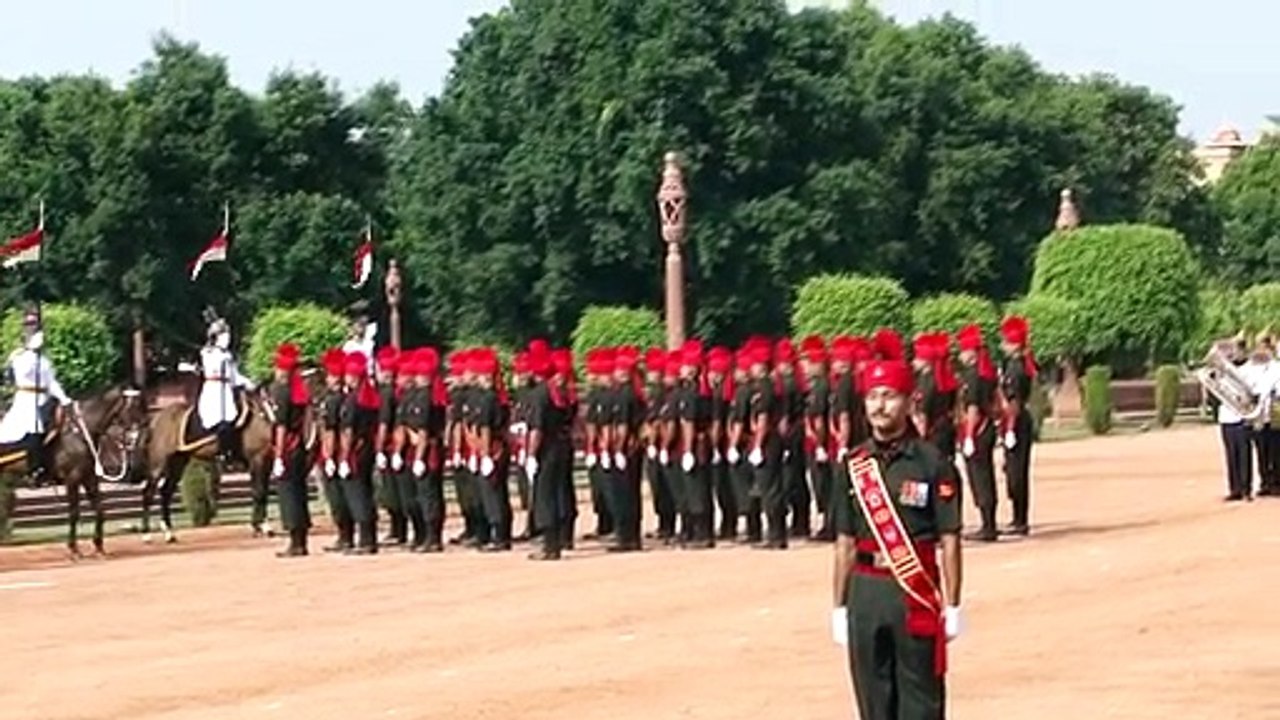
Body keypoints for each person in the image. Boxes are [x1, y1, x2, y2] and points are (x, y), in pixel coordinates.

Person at [831, 359, 964, 720]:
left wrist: (953, 606)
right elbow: (844, 543)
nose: (879, 405)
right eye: (872, 396)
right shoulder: (853, 465)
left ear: (908, 402)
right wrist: (839, 607)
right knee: (873, 700)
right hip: (866, 591)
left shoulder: (933, 463)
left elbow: (950, 539)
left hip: (913, 592)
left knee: (920, 701)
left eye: (889, 396)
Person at [0, 308, 72, 483]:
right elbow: (19, 373)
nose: (31, 326)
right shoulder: (19, 356)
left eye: (35, 323)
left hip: (44, 399)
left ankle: (53, 464)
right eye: (29, 323)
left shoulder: (45, 361)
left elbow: (51, 382)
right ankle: (34, 467)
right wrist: (30, 352)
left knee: (59, 426)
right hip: (26, 399)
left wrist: (64, 399)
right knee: (32, 426)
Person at [526, 343, 574, 561]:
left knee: (544, 496)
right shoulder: (559, 393)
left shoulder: (539, 395)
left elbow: (536, 429)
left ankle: (550, 545)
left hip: (546, 449)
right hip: (560, 446)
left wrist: (530, 455)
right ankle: (556, 540)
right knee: (556, 493)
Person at [956, 324, 1000, 542]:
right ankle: (989, 523)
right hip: (987, 426)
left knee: (980, 477)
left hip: (978, 428)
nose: (961, 355)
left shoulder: (973, 376)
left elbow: (972, 407)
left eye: (964, 350)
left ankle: (988, 526)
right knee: (985, 476)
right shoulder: (986, 372)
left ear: (972, 353)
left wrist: (970, 436)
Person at [268, 343, 312, 557]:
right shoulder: (298, 389)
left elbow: (281, 426)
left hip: (288, 447)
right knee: (298, 492)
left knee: (289, 494)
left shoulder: (282, 391)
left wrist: (278, 455)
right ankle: (300, 539)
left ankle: (295, 542)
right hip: (299, 446)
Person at [469, 347, 513, 551]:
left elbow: (485, 428)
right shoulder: (483, 397)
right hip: (484, 446)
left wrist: (485, 455)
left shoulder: (488, 398)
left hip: (492, 447)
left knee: (493, 493)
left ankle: (500, 535)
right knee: (491, 492)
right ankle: (498, 533)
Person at [198, 314, 256, 469]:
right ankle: (223, 452)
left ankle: (235, 449)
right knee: (220, 419)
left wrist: (249, 383)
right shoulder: (209, 353)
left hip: (226, 389)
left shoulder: (226, 355)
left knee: (236, 416)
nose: (227, 339)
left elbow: (234, 376)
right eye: (224, 335)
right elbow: (215, 366)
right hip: (214, 390)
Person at [338, 350, 380, 554]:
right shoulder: (368, 398)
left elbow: (347, 432)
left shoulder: (353, 401)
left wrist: (345, 457)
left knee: (357, 494)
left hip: (355, 450)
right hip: (367, 448)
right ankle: (368, 537)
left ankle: (365, 540)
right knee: (365, 491)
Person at [998, 315, 1037, 534]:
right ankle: (1018, 518)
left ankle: (1020, 520)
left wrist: (1010, 428)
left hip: (1017, 420)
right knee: (1014, 470)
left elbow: (1013, 402)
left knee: (1016, 472)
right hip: (1018, 419)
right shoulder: (1017, 364)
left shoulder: (1015, 368)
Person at [608, 346, 645, 552]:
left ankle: (626, 536)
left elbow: (621, 426)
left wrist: (619, 450)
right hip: (634, 448)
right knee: (632, 491)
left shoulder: (623, 395)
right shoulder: (635, 393)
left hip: (626, 448)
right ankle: (633, 535)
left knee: (623, 493)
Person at [317, 348, 354, 552]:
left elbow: (331, 431)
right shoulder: (334, 398)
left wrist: (329, 456)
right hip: (334, 452)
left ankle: (345, 536)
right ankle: (344, 535)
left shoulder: (334, 401)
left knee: (338, 497)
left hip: (336, 452)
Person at [800, 336, 833, 542]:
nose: (803, 366)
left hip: (821, 442)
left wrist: (820, 445)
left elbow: (820, 419)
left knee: (824, 484)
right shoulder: (815, 385)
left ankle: (829, 525)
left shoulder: (821, 386)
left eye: (807, 362)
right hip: (815, 440)